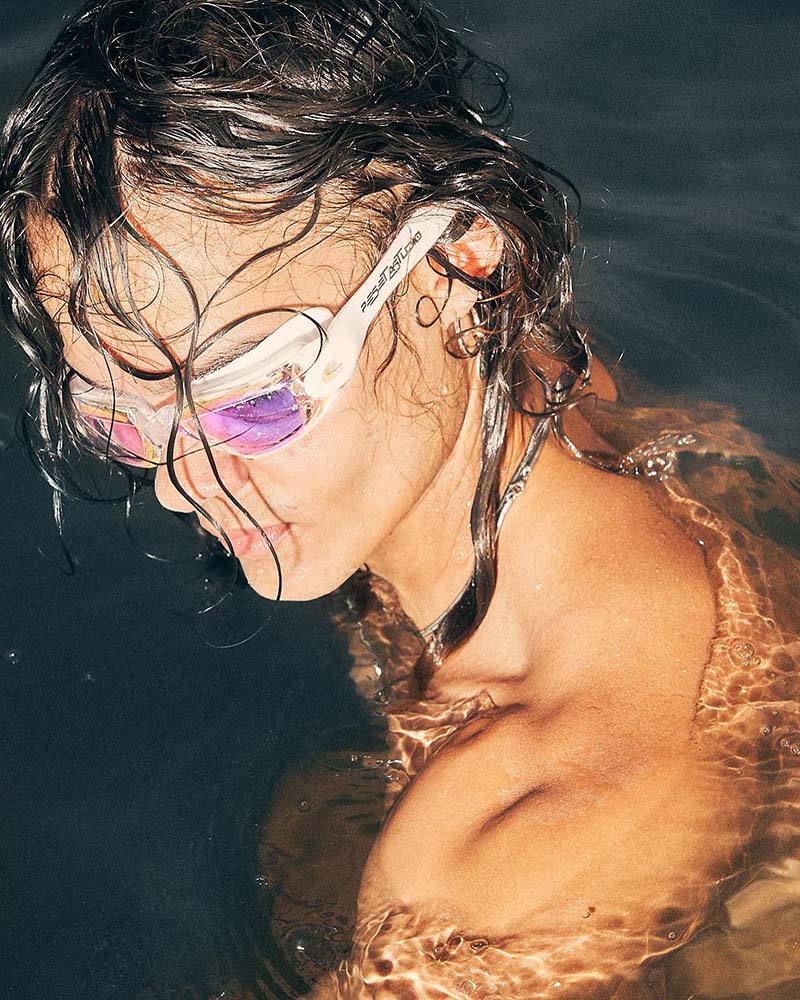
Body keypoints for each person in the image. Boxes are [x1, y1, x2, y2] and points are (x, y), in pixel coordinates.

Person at [1, 2, 798, 997]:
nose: (183, 479)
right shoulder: (543, 371)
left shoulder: (494, 856)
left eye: (255, 397)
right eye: (117, 414)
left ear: (463, 258)